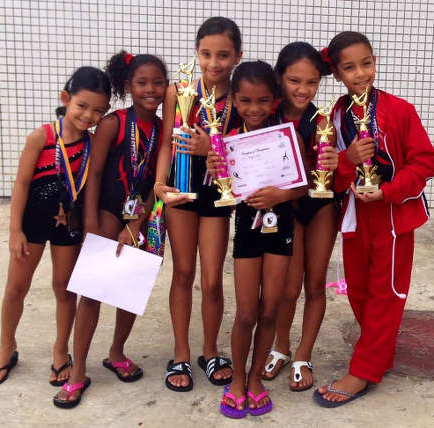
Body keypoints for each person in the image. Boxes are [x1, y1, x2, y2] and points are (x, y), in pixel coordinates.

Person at [313, 31, 434, 407]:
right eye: (349, 67)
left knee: (387, 293)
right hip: (354, 216)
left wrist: (391, 190)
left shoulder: (399, 110)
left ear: (375, 62)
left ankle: (364, 370)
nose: (361, 73)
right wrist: (348, 165)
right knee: (359, 289)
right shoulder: (334, 115)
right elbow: (332, 172)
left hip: (392, 216)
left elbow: (425, 161)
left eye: (366, 63)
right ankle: (378, 354)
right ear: (336, 73)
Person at [53, 51, 167, 408]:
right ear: (128, 86)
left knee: (130, 288)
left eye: (157, 82)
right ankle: (78, 370)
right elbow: (95, 175)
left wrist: (139, 221)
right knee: (93, 291)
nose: (150, 89)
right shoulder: (114, 123)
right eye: (142, 82)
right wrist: (90, 224)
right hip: (104, 212)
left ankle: (117, 352)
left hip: (143, 214)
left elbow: (157, 180)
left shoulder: (164, 129)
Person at [0, 67, 110, 387]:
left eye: (99, 110)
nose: (89, 115)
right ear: (65, 99)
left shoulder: (91, 145)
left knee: (64, 288)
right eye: (82, 106)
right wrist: (14, 229)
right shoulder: (41, 137)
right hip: (32, 221)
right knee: (16, 287)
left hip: (68, 225)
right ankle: (6, 347)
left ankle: (61, 351)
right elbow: (20, 184)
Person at [208, 60, 306, 418]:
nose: (254, 109)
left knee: (269, 310)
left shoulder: (286, 136)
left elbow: (304, 185)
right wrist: (215, 169)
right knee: (247, 311)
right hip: (247, 230)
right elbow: (226, 192)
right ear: (233, 99)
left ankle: (254, 379)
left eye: (263, 101)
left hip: (281, 230)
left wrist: (279, 196)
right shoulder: (229, 140)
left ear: (275, 100)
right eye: (246, 101)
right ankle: (236, 379)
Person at [154, 17, 242, 392]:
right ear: (196, 52)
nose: (214, 62)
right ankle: (181, 353)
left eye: (223, 55)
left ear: (238, 56)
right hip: (180, 188)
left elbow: (244, 149)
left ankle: (210, 350)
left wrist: (214, 148)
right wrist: (160, 183)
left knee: (210, 279)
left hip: (217, 192)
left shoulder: (240, 96)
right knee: (183, 273)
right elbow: (165, 144)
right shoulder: (178, 90)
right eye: (206, 54)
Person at [262, 42, 339, 392]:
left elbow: (327, 174)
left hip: (320, 205)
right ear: (279, 77)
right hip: (284, 207)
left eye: (312, 82)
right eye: (294, 80)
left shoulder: (323, 120)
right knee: (288, 288)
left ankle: (303, 355)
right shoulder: (266, 114)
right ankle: (281, 345)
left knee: (315, 283)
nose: (303, 90)